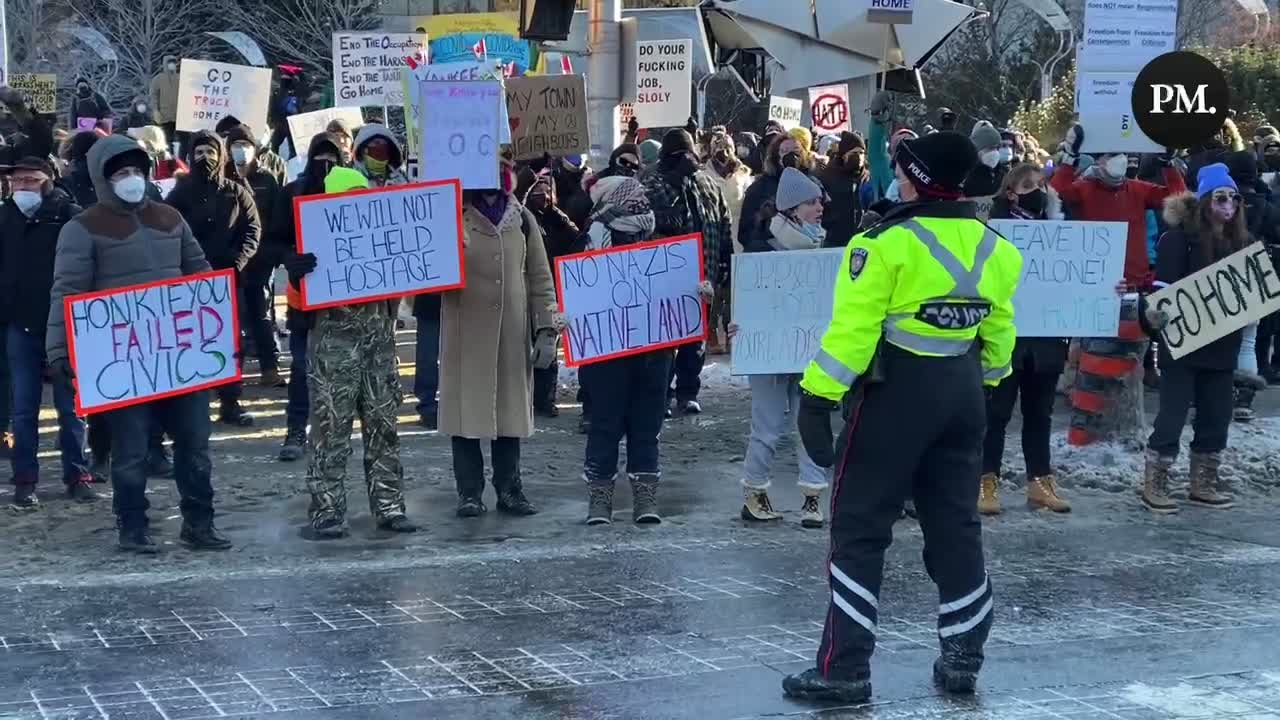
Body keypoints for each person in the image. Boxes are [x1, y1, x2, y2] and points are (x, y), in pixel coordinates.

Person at [783, 131, 1021, 703]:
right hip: (964, 395)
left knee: (859, 527)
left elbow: (854, 334)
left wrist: (817, 398)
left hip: (895, 397)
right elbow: (1000, 338)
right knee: (956, 525)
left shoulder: (883, 245)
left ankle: (844, 670)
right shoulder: (998, 249)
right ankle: (964, 656)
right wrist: (983, 388)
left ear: (913, 177)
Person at [46, 135, 229, 553]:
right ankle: (133, 526)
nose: (131, 179)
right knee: (131, 452)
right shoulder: (82, 228)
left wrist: (219, 328)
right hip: (124, 362)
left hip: (181, 357)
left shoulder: (170, 218)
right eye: (121, 173)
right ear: (102, 179)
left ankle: (199, 523)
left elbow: (200, 273)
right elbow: (67, 292)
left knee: (195, 446)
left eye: (136, 171)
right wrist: (58, 351)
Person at [281, 164, 418, 537]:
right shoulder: (316, 240)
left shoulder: (382, 238)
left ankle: (389, 507)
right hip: (331, 354)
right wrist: (295, 275)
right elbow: (298, 305)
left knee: (384, 431)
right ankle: (327, 511)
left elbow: (410, 279)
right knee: (329, 434)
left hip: (378, 350)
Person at [1051, 124, 1187, 445]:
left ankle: (1120, 423)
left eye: (1124, 155)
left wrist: (1168, 164)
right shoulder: (1085, 188)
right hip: (1097, 287)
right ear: (1098, 161)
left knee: (1129, 362)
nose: (1120, 160)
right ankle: (1086, 419)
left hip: (1134, 287)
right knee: (1093, 357)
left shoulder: (1138, 189)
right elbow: (1057, 191)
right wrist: (1069, 158)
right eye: (1113, 155)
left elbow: (1178, 199)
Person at [440, 153, 558, 518]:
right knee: (466, 417)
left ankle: (510, 489)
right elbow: (425, 285)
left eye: (501, 169)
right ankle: (469, 492)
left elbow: (540, 277)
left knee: (508, 417)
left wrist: (546, 328)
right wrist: (448, 252)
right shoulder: (453, 217)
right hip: (465, 335)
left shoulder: (523, 219)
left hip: (511, 333)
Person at [1140, 164, 1248, 513]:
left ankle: (1203, 481)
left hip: (1222, 347)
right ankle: (1155, 480)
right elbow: (1162, 292)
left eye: (1234, 197)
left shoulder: (1241, 242)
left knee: (1217, 416)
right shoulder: (1178, 239)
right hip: (1183, 347)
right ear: (1205, 202)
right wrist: (1153, 317)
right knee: (1171, 416)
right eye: (1221, 197)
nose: (1228, 204)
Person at [736, 167, 831, 527]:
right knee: (768, 426)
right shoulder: (761, 247)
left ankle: (812, 496)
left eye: (819, 200)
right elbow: (748, 299)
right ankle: (754, 491)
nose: (819, 207)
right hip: (769, 355)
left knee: (810, 422)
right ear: (791, 208)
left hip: (810, 353)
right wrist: (738, 324)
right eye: (810, 202)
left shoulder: (822, 247)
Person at [0, 156, 94, 508]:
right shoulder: (3, 217)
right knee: (23, 409)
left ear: (48, 181)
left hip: (66, 326)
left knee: (70, 408)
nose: (22, 187)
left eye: (30, 180)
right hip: (19, 327)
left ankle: (77, 474)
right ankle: (25, 479)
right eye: (17, 181)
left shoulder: (71, 216)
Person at [578, 175, 671, 525]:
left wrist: (696, 293)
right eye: (633, 197)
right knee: (605, 424)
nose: (642, 202)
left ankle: (645, 496)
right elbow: (575, 289)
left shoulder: (660, 241)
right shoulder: (592, 242)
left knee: (648, 425)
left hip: (653, 353)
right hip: (606, 356)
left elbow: (673, 287)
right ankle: (599, 498)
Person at [979, 163, 1071, 515]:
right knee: (996, 413)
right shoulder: (994, 231)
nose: (1038, 190)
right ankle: (986, 481)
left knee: (1040, 414)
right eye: (1029, 184)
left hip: (1046, 339)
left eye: (1042, 184)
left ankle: (1040, 481)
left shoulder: (1062, 233)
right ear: (1011, 192)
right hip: (1007, 337)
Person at [166, 130, 262, 426]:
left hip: (229, 279)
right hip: (190, 280)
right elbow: (168, 231)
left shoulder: (237, 191)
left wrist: (239, 260)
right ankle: (192, 404)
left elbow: (253, 229)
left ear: (220, 156)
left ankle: (230, 401)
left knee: (231, 341)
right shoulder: (178, 194)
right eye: (199, 153)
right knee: (191, 340)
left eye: (211, 152)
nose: (205, 158)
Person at [641, 129, 732, 415]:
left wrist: (726, 259)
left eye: (687, 153)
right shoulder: (652, 183)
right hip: (665, 277)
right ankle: (662, 394)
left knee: (695, 340)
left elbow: (724, 221)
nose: (685, 159)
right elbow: (644, 222)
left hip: (704, 272)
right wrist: (663, 218)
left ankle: (688, 392)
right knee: (665, 340)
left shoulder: (707, 184)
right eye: (678, 155)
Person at [271, 134, 345, 462]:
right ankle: (296, 430)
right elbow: (272, 240)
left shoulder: (351, 191)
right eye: (319, 158)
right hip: (304, 299)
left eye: (332, 158)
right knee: (301, 367)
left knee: (342, 372)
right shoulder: (292, 193)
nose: (325, 165)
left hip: (346, 302)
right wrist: (290, 257)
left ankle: (335, 433)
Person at [225, 123, 285, 387]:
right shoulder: (222, 178)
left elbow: (274, 218)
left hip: (260, 257)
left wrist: (271, 250)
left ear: (255, 148)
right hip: (229, 259)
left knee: (260, 312)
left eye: (245, 145)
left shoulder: (267, 179)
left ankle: (269, 367)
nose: (241, 150)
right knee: (232, 316)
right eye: (235, 145)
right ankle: (230, 376)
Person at [519, 167, 581, 417]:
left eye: (547, 191)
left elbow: (576, 239)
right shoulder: (523, 219)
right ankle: (526, 397)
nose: (542, 195)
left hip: (551, 292)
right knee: (525, 348)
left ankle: (545, 399)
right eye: (537, 191)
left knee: (548, 348)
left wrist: (556, 213)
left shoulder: (557, 218)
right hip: (525, 291)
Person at [703, 131, 751, 352]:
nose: (724, 153)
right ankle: (710, 331)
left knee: (734, 290)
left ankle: (732, 333)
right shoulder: (705, 174)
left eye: (727, 148)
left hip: (738, 234)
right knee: (715, 288)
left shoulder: (743, 174)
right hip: (715, 231)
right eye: (719, 148)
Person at [819, 132, 877, 248]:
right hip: (834, 240)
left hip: (862, 240)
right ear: (844, 155)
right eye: (854, 153)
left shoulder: (868, 178)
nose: (859, 156)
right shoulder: (827, 176)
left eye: (861, 153)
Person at [215, 116, 288, 185]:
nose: (242, 148)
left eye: (244, 144)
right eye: (237, 145)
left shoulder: (275, 165)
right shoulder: (222, 170)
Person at [963, 121, 1007, 198]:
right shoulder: (964, 173)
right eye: (990, 148)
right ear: (978, 149)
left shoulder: (1004, 174)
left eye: (997, 148)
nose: (995, 152)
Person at [150, 56, 181, 151]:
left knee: (184, 140)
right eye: (169, 62)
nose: (172, 65)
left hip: (179, 116)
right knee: (167, 141)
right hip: (164, 116)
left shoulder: (181, 78)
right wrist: (155, 110)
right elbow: (153, 96)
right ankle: (168, 159)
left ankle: (182, 159)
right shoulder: (158, 79)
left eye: (173, 62)